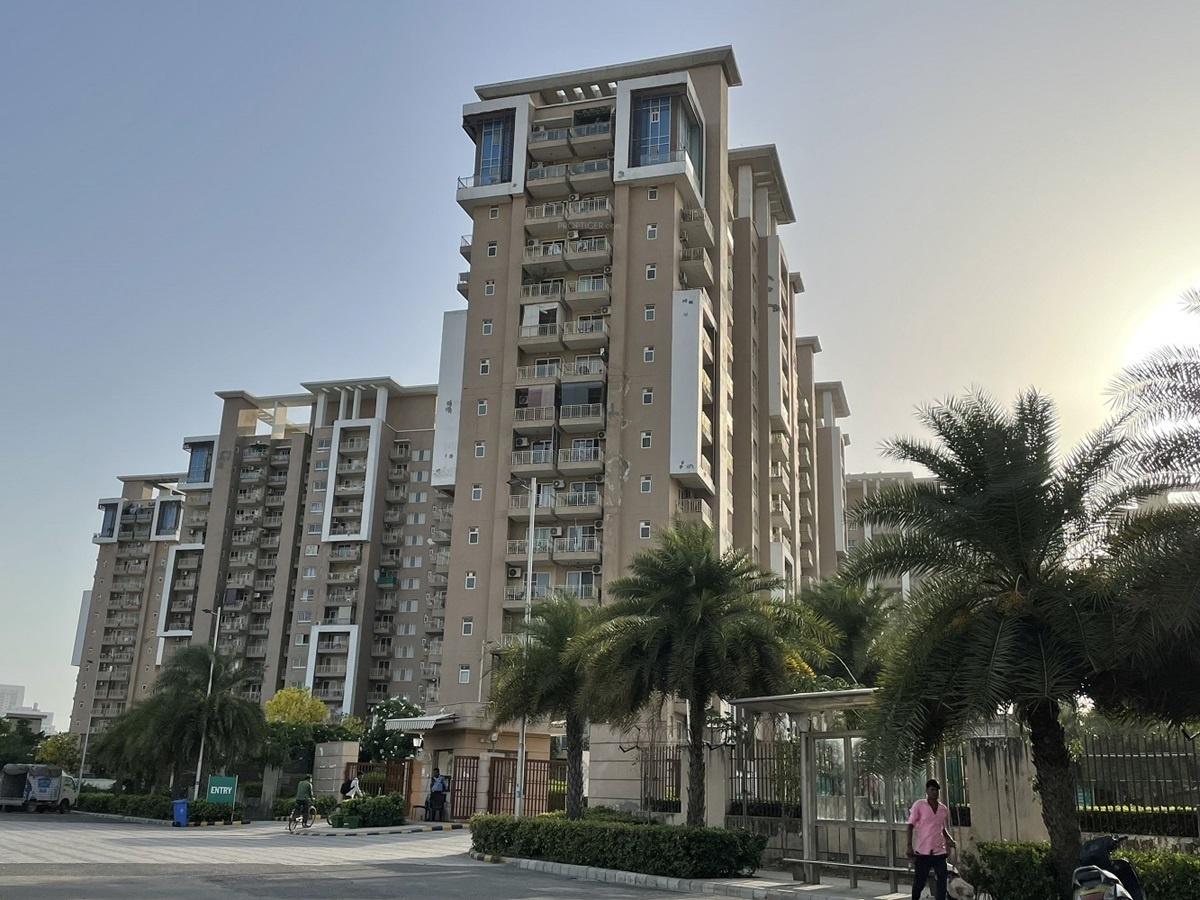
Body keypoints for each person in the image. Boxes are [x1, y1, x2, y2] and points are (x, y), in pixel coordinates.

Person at [906, 778, 956, 900]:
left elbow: (941, 827)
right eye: (932, 790)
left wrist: (948, 839)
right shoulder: (919, 805)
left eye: (937, 790)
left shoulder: (943, 809)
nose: (935, 792)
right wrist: (909, 845)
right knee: (920, 882)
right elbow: (910, 825)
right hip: (923, 851)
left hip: (939, 851)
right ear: (927, 791)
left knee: (942, 880)